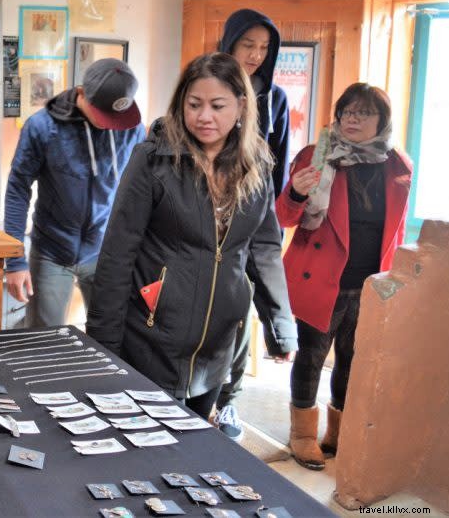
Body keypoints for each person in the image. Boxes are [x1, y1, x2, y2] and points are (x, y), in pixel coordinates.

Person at [87, 52, 297, 418]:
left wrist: (280, 326)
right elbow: (118, 253)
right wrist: (103, 345)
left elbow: (263, 249)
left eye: (217, 105)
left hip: (216, 348)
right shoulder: (154, 159)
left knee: (195, 455)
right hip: (151, 339)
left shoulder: (257, 165)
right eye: (194, 104)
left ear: (241, 106)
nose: (204, 117)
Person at [277, 83, 411, 470]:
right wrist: (296, 195)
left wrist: (396, 279)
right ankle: (302, 434)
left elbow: (398, 231)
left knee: (354, 360)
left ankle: (338, 432)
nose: (352, 119)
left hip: (372, 282)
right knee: (312, 357)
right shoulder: (316, 157)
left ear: (381, 121)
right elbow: (282, 219)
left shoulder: (396, 165)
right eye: (347, 112)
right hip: (320, 277)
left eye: (363, 113)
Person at [4, 58, 146, 328]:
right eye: (104, 115)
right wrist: (14, 260)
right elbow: (18, 190)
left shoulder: (132, 129)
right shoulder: (42, 128)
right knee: (44, 341)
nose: (111, 125)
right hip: (52, 250)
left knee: (114, 338)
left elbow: (141, 194)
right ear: (81, 93)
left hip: (107, 250)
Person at [213, 8, 292, 442]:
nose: (257, 55)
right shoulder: (206, 87)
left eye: (265, 48)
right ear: (230, 42)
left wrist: (267, 219)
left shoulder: (275, 99)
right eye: (249, 45)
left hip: (249, 219)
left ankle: (227, 401)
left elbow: (276, 166)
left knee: (239, 317)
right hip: (203, 219)